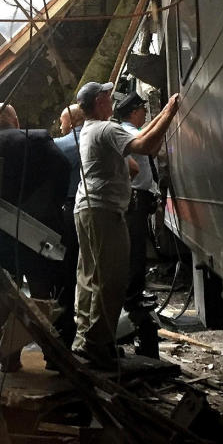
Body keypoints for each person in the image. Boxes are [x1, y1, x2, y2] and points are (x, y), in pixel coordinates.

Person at [72, 81, 180, 368]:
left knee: (89, 276)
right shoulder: (106, 129)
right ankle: (97, 344)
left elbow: (144, 140)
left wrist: (163, 113)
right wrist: (170, 112)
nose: (112, 101)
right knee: (112, 279)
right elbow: (147, 146)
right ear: (99, 102)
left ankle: (85, 339)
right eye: (107, 97)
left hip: (87, 209)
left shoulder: (91, 129)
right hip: (104, 211)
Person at [0, 102, 70, 370]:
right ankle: (53, 357)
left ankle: (8, 360)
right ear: (15, 120)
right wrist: (50, 207)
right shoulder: (39, 140)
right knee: (43, 294)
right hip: (37, 237)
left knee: (1, 299)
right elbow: (63, 167)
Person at [114, 90, 161, 356]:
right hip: (134, 198)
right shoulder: (128, 132)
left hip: (140, 197)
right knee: (134, 251)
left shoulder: (132, 130)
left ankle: (134, 293)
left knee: (137, 248)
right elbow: (146, 147)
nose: (145, 113)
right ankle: (131, 297)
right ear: (134, 111)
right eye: (143, 109)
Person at [52, 103, 85, 350]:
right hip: (96, 208)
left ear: (71, 122)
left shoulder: (65, 144)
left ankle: (64, 329)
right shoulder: (98, 136)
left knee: (66, 268)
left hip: (71, 207)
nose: (60, 125)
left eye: (62, 121)